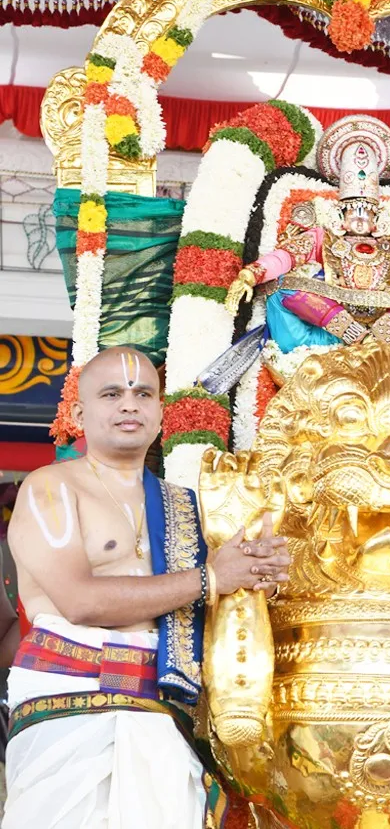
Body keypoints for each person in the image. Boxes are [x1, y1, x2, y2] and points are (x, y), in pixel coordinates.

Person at [3, 346, 290, 828]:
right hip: (68, 700)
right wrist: (212, 577)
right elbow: (80, 600)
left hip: (160, 708)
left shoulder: (182, 507)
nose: (129, 404)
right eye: (112, 393)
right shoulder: (50, 488)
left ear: (160, 411)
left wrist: (262, 574)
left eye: (143, 394)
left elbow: (208, 605)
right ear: (79, 413)